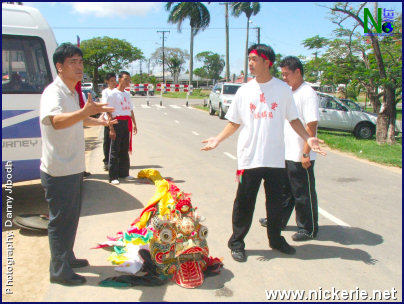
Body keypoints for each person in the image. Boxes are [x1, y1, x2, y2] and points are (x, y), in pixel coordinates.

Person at [201, 44, 326, 263]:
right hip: (249, 157)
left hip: (276, 158)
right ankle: (237, 243)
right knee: (244, 202)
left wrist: (308, 138)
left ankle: (276, 240)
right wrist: (218, 139)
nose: (250, 63)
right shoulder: (245, 90)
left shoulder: (282, 89)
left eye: (254, 59)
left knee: (275, 204)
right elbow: (234, 122)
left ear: (267, 62)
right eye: (249, 59)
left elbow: (294, 119)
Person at [39, 43, 116, 286]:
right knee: (60, 221)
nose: (79, 66)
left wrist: (100, 122)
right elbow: (57, 122)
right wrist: (85, 113)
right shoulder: (54, 92)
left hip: (72, 168)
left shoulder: (74, 92)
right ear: (59, 66)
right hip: (58, 170)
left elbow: (78, 121)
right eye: (73, 62)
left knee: (71, 219)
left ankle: (67, 257)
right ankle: (59, 271)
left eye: (81, 62)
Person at [259, 56, 320, 242]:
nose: (284, 78)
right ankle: (278, 220)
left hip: (300, 153)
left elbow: (311, 125)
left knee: (303, 194)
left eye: (287, 74)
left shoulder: (307, 93)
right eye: (282, 74)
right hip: (286, 153)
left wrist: (305, 153)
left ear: (298, 72)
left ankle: (308, 228)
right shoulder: (290, 92)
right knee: (284, 191)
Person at [107, 71, 138, 185]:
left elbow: (130, 109)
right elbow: (108, 111)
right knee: (115, 149)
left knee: (124, 149)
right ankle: (113, 176)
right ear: (119, 80)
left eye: (129, 79)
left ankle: (124, 173)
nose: (127, 82)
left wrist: (134, 123)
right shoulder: (113, 94)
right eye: (125, 79)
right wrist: (111, 127)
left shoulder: (127, 94)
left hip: (126, 122)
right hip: (117, 121)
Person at [101, 73, 117, 171]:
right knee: (107, 141)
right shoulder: (105, 92)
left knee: (116, 141)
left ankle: (115, 161)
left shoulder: (118, 91)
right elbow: (106, 106)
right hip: (108, 119)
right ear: (107, 81)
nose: (113, 82)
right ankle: (106, 161)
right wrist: (109, 121)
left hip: (117, 118)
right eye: (111, 80)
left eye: (114, 80)